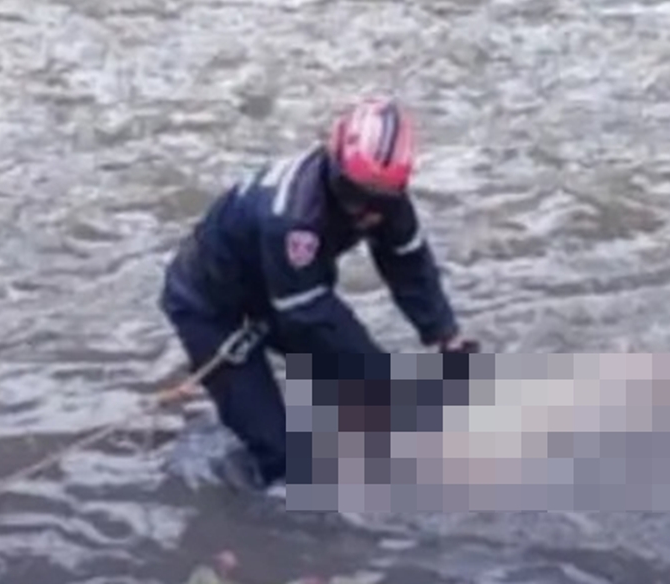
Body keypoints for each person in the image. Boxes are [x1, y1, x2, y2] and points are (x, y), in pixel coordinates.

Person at [158, 96, 477, 494]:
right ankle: (233, 495)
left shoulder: (385, 200)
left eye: (381, 202)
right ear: (334, 162)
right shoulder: (292, 219)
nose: (367, 213)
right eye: (355, 195)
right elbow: (313, 317)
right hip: (211, 306)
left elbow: (408, 263)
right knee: (285, 464)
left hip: (282, 292)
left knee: (355, 395)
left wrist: (444, 336)